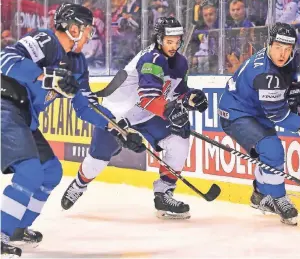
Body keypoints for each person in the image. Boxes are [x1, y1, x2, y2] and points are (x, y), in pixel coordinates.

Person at [0, 3, 145, 257]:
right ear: (74, 28)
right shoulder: (45, 41)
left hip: (24, 117)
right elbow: (5, 59)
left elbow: (87, 107)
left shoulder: (77, 65)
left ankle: (16, 229)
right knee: (30, 171)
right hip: (5, 106)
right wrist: (44, 76)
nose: (90, 36)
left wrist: (121, 130)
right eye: (88, 30)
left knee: (50, 172)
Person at [61, 17, 208, 220]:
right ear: (159, 39)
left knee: (179, 136)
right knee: (97, 159)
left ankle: (164, 193)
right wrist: (171, 111)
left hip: (147, 113)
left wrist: (191, 98)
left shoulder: (180, 62)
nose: (173, 46)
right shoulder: (151, 59)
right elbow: (148, 99)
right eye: (169, 41)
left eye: (177, 41)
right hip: (118, 113)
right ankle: (79, 184)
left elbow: (177, 92)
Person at [218, 22, 300, 226]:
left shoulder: (286, 59)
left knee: (269, 153)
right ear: (268, 44)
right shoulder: (265, 75)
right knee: (272, 150)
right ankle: (277, 198)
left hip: (256, 110)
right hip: (236, 113)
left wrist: (293, 89)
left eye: (287, 49)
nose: (282, 54)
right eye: (278, 48)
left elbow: (289, 76)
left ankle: (260, 194)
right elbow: (279, 115)